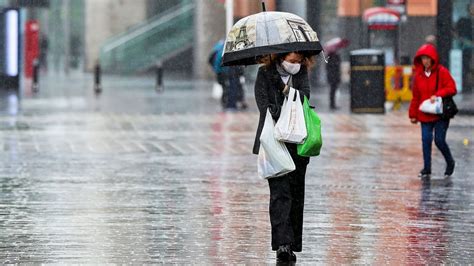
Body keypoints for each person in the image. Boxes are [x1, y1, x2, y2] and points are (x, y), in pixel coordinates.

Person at [253, 51, 314, 263]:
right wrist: (280, 109)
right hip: (274, 142)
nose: (295, 65)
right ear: (281, 58)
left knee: (296, 195)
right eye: (292, 61)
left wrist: (284, 89)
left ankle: (293, 242)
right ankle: (282, 244)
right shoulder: (265, 74)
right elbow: (263, 105)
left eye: (298, 61)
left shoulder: (301, 73)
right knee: (279, 195)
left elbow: (305, 97)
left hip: (298, 143)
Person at [408, 44, 457, 178]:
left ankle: (450, 162)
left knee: (439, 140)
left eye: (428, 58)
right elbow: (416, 97)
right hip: (425, 114)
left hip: (440, 113)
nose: (426, 61)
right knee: (426, 139)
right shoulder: (418, 76)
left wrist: (439, 94)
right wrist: (412, 115)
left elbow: (452, 88)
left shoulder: (442, 72)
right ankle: (427, 168)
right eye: (423, 59)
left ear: (433, 59)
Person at [208, 40, 248, 110]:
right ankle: (230, 104)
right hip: (226, 72)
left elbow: (213, 62)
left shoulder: (219, 48)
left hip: (222, 72)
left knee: (227, 87)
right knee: (230, 87)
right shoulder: (224, 51)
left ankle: (227, 103)